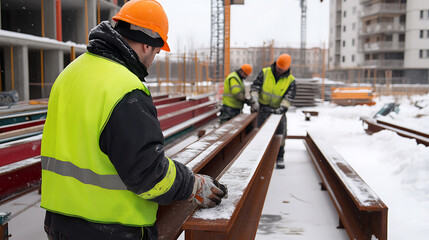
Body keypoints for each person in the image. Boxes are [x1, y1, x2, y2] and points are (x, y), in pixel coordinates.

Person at [40, 1, 227, 239]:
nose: (152, 61)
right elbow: (149, 175)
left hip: (59, 223)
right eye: (157, 53)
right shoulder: (125, 88)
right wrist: (192, 185)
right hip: (110, 227)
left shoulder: (70, 73)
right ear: (147, 45)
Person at [249, 54, 296, 169]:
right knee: (260, 133)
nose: (279, 71)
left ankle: (280, 157)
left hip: (278, 111)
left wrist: (281, 108)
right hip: (262, 109)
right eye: (279, 68)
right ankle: (260, 157)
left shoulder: (291, 80)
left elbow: (289, 98)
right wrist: (254, 100)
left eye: (282, 69)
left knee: (281, 134)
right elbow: (255, 87)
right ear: (276, 64)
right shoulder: (265, 73)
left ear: (287, 68)